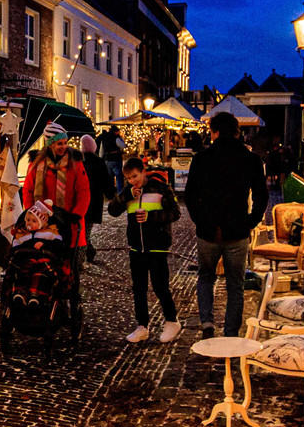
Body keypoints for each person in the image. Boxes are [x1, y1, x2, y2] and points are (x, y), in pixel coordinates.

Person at [184, 112, 268, 338]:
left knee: (205, 277)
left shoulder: (202, 158)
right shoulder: (250, 159)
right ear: (237, 132)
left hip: (208, 231)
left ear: (215, 132)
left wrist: (199, 220)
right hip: (237, 231)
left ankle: (207, 322)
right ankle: (231, 331)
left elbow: (190, 196)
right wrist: (251, 221)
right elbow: (262, 195)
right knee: (235, 285)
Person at [107, 156, 181, 343]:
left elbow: (175, 213)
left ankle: (172, 321)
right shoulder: (129, 191)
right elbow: (113, 210)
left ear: (143, 171)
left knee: (160, 286)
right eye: (129, 178)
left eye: (135, 176)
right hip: (136, 247)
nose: (133, 181)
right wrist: (127, 195)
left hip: (157, 246)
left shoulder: (161, 188)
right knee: (138, 288)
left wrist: (151, 216)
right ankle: (142, 326)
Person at [22, 122, 90, 315]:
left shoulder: (75, 163)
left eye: (65, 142)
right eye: (59, 143)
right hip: (42, 222)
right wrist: (32, 213)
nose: (64, 146)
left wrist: (77, 213)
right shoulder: (36, 164)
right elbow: (28, 189)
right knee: (43, 261)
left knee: (70, 266)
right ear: (50, 144)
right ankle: (42, 294)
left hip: (70, 222)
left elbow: (84, 191)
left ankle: (70, 297)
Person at [80, 134, 115, 265]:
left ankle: (86, 252)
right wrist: (111, 195)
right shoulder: (98, 162)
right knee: (87, 229)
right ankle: (87, 252)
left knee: (83, 229)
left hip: (81, 200)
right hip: (94, 201)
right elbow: (106, 181)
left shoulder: (79, 161)